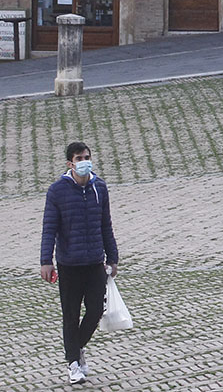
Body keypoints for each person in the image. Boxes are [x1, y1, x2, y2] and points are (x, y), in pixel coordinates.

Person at [40, 141, 119, 385]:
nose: (84, 161)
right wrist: (46, 261)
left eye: (87, 157)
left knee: (95, 311)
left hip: (94, 261)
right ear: (70, 163)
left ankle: (75, 349)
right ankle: (73, 364)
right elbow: (49, 228)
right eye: (79, 158)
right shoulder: (57, 191)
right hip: (69, 264)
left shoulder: (100, 188)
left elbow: (106, 224)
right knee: (70, 315)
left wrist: (112, 257)